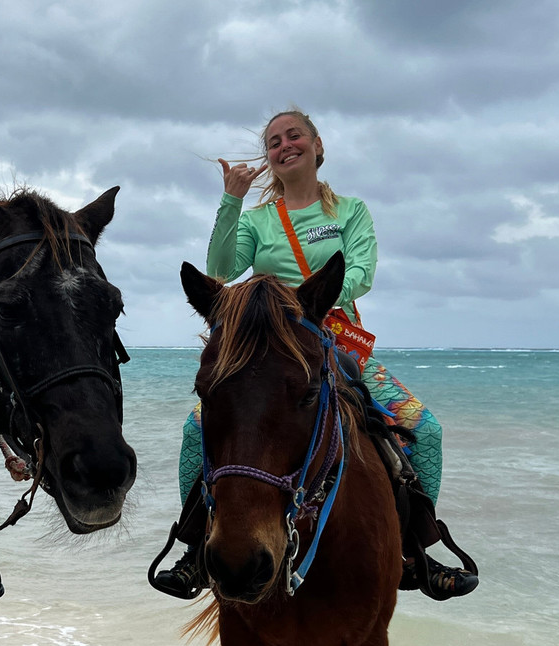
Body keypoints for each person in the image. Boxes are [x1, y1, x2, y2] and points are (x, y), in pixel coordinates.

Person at [154, 108, 478, 600]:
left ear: (317, 145)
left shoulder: (349, 211)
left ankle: (416, 549)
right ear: (268, 158)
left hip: (336, 337)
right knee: (196, 430)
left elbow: (361, 273)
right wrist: (232, 199)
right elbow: (219, 269)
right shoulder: (259, 219)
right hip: (272, 347)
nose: (285, 145)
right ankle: (196, 548)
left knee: (425, 430)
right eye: (274, 142)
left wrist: (304, 304)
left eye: (294, 135)